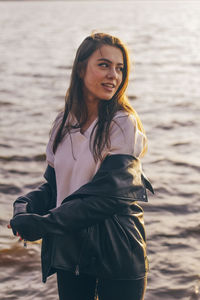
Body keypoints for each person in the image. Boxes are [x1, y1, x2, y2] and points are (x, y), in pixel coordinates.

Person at [9, 32, 154, 300]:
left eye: (119, 68)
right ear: (80, 69)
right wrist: (23, 207)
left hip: (117, 254)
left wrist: (44, 225)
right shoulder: (62, 123)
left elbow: (105, 199)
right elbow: (55, 188)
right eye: (104, 65)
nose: (114, 75)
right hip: (70, 253)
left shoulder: (123, 123)